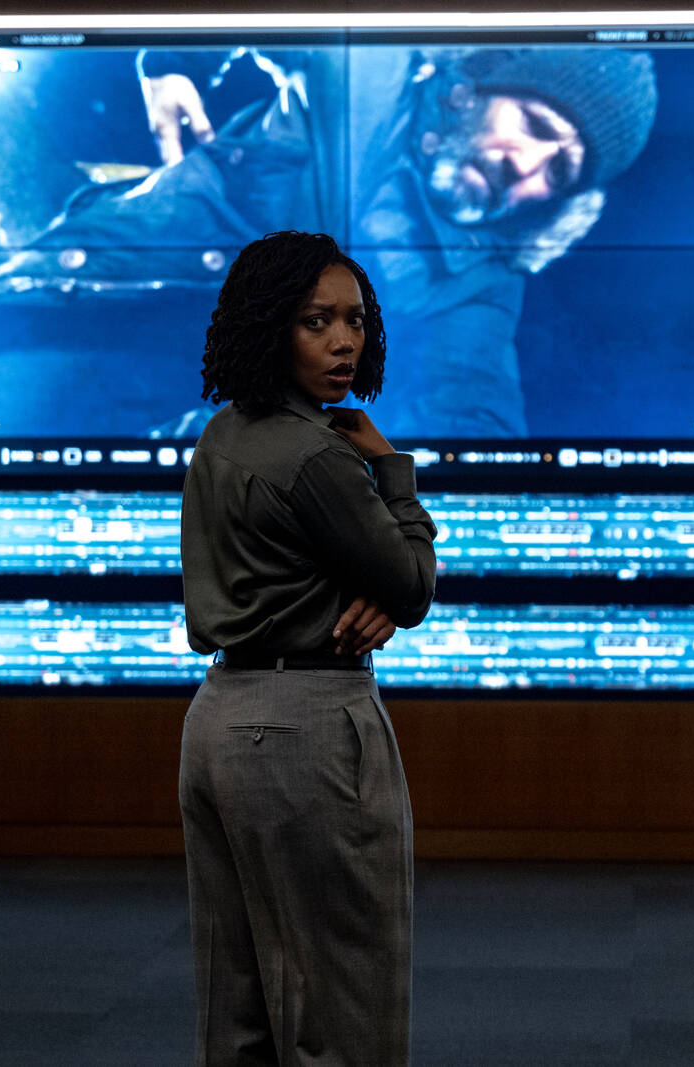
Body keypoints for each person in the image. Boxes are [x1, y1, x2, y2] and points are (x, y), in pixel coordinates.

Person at [0, 46, 658, 440]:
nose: (527, 166)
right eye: (534, 124)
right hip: (71, 304)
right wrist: (172, 62)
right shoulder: (373, 74)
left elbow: (474, 417)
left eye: (559, 172)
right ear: (477, 91)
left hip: (171, 432)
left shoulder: (482, 284)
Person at [178, 230, 437, 1065]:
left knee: (239, 1016)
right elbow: (413, 584)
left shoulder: (221, 433)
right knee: (343, 1014)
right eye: (315, 321)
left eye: (354, 319)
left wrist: (373, 595)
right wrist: (392, 471)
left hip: (217, 722)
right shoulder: (319, 456)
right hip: (308, 728)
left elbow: (309, 573)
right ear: (269, 328)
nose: (343, 341)